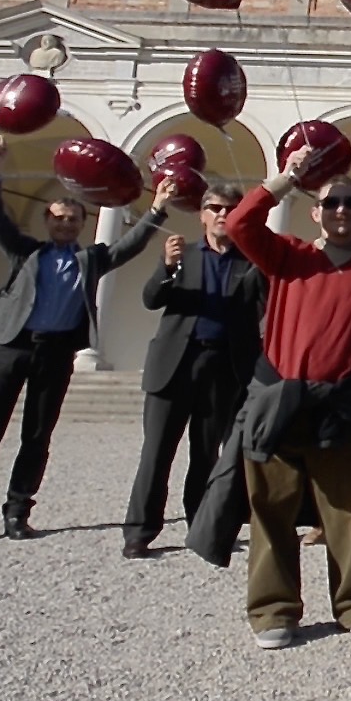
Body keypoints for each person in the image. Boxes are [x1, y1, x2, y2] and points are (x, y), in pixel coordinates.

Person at [203, 149, 351, 650]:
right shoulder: (288, 254)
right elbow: (242, 221)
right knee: (272, 508)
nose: (343, 211)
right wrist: (287, 178)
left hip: (339, 403)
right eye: (333, 203)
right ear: (317, 210)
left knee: (344, 510)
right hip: (278, 400)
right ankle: (273, 610)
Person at [0, 134, 174, 545]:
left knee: (36, 436)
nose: (65, 224)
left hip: (54, 354)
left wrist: (157, 205)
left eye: (72, 219)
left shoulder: (91, 260)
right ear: (47, 221)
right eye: (58, 218)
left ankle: (18, 512)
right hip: (10, 348)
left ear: (82, 224)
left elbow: (132, 244)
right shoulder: (27, 253)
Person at [122, 184, 265, 558]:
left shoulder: (250, 262)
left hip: (223, 367)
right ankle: (139, 531)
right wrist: (166, 269)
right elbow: (152, 299)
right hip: (175, 364)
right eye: (214, 207)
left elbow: (264, 309)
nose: (222, 214)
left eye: (230, 208)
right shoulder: (183, 254)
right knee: (156, 452)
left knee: (206, 454)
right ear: (202, 214)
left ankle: (201, 526)